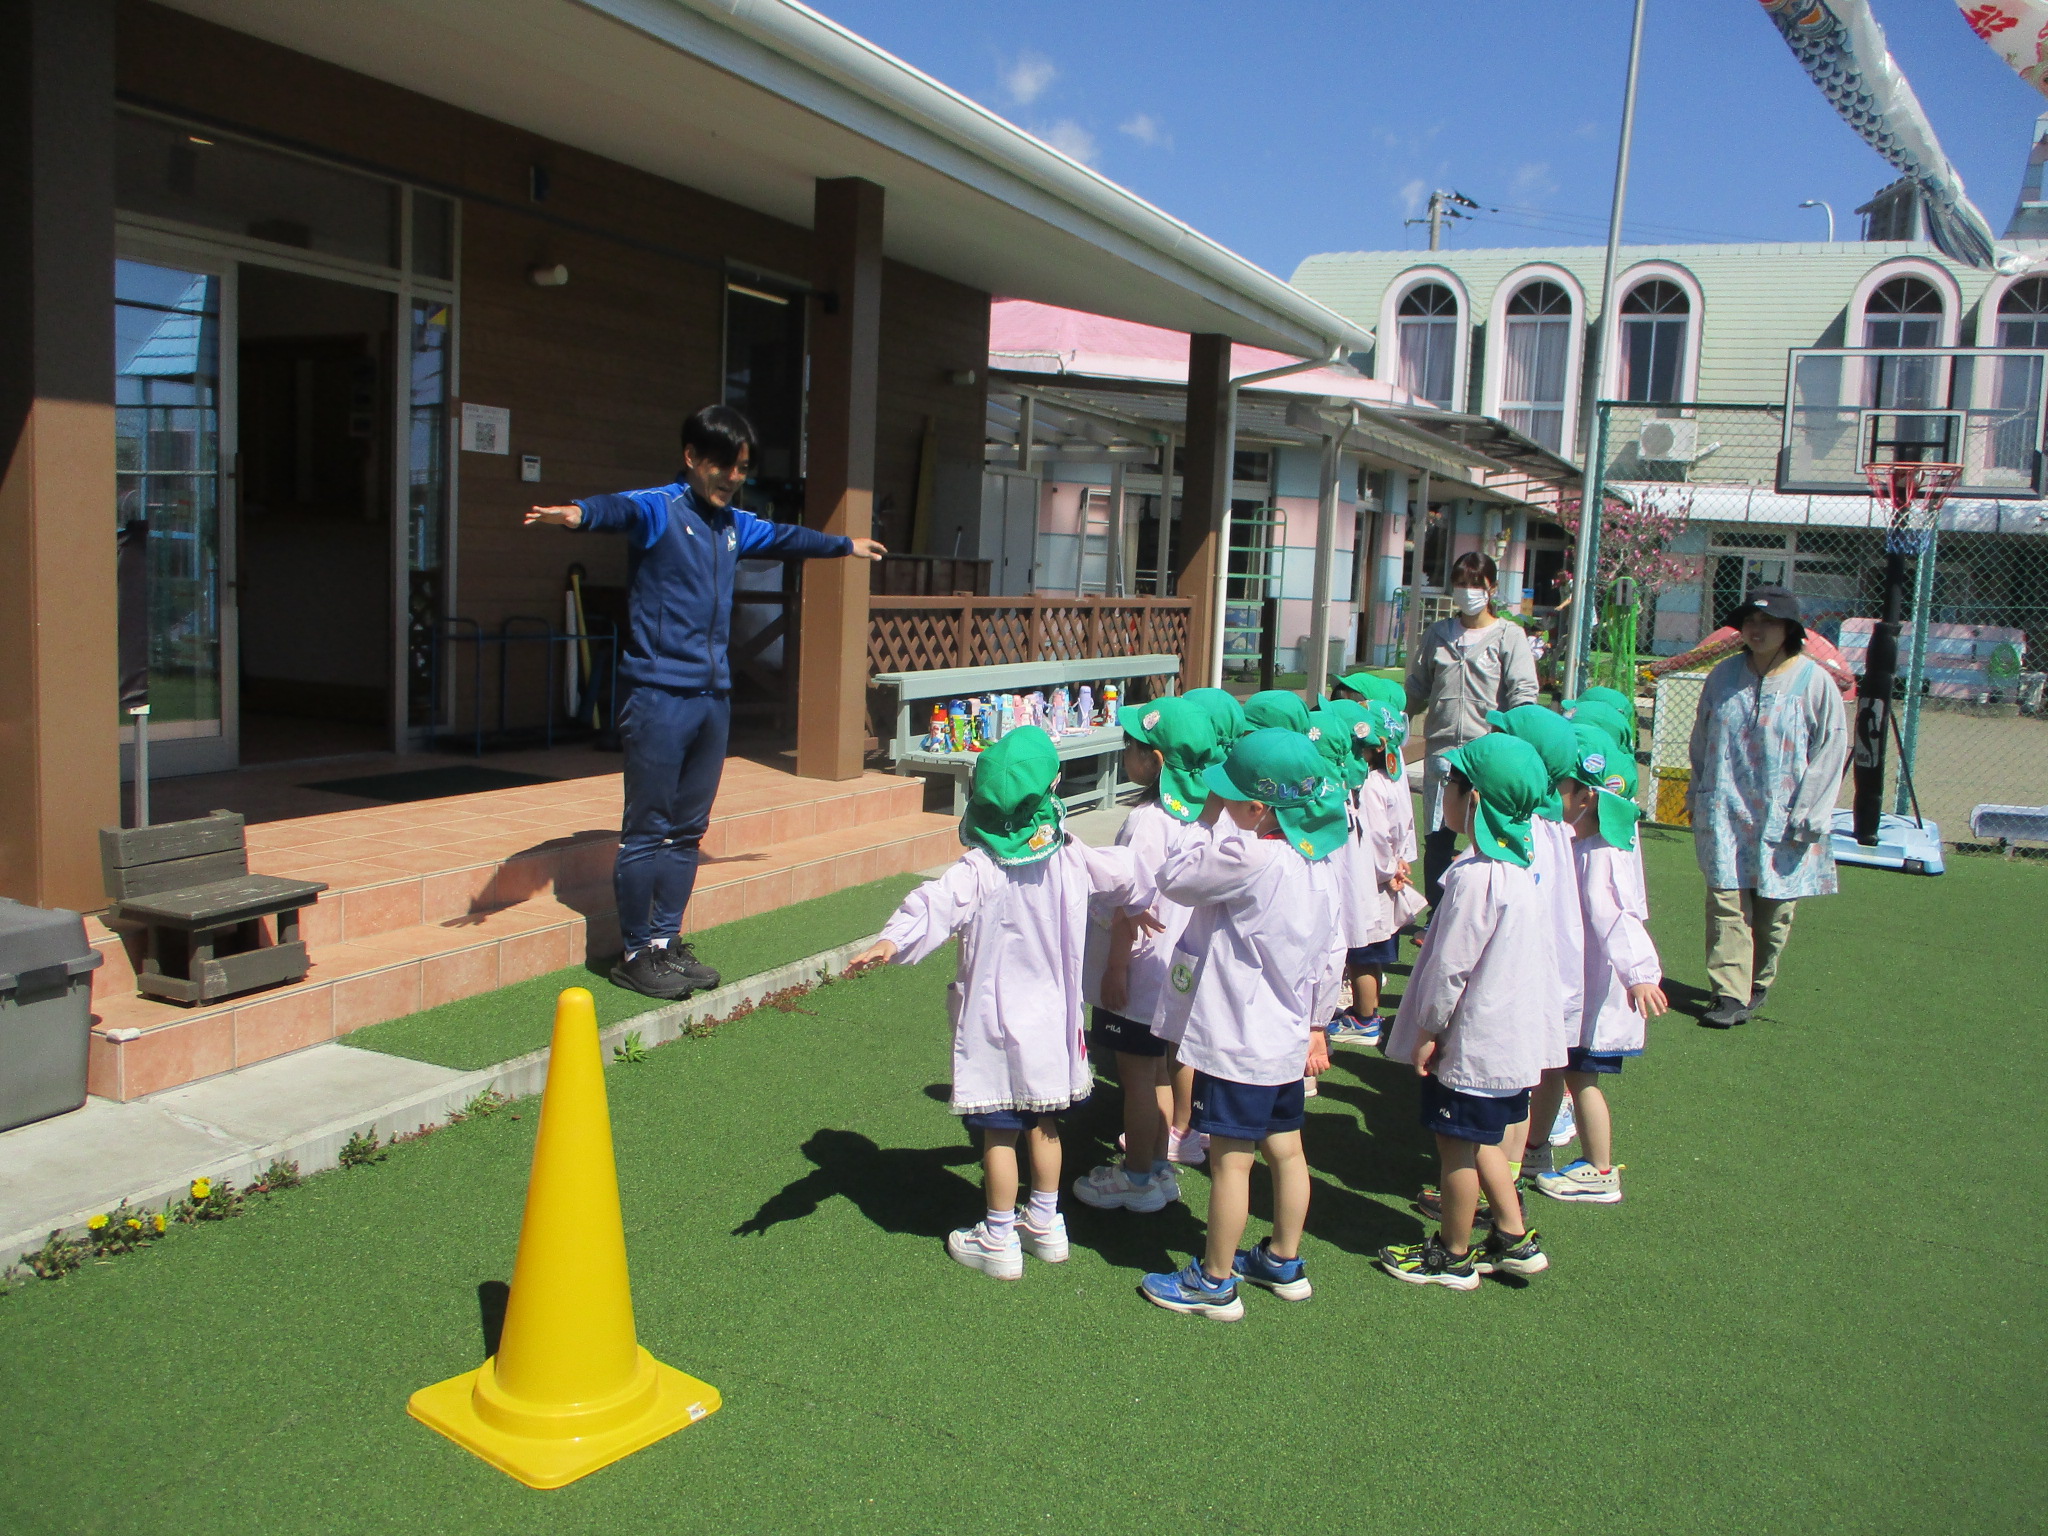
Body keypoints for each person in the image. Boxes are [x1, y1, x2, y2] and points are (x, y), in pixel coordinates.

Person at [526, 405, 885, 1000]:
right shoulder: (659, 510)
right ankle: (634, 953)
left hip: (712, 698)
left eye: (742, 469)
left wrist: (844, 544)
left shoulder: (735, 526)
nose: (732, 478)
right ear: (691, 457)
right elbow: (615, 509)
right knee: (647, 830)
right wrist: (577, 514)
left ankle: (665, 942)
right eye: (722, 465)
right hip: (658, 695)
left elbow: (788, 537)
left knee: (688, 829)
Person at [850, 728, 1148, 1280]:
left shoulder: (979, 868)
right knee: (1046, 1123)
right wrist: (1139, 900)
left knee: (999, 1131)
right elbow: (1122, 874)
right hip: (1052, 1018)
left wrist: (892, 940)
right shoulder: (1069, 853)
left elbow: (933, 905)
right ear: (1052, 788)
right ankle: (1046, 1223)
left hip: (995, 1020)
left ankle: (998, 1234)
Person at [1138, 730, 1348, 1320]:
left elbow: (1174, 876)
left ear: (1257, 808)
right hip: (1284, 1037)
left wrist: (1205, 819)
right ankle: (1282, 1258)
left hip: (1237, 1039)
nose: (1220, 799)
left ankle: (1214, 1280)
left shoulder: (1250, 856)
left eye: (1229, 794)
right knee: (1288, 1151)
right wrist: (1317, 1023)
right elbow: (1333, 952)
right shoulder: (1320, 863)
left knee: (1231, 1160)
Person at [1378, 733, 1557, 1291]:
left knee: (1455, 1146)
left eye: (1452, 784)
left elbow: (1450, 968)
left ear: (1473, 799)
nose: (1445, 795)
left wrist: (1428, 1029)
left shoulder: (1475, 876)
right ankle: (1513, 1235)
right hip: (1509, 1043)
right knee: (1482, 1142)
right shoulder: (1521, 871)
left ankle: (1453, 1253)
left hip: (1473, 1043)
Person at [1075, 697, 1219, 1212]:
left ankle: (1136, 1177)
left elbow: (1128, 900)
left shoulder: (1147, 822)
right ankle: (1157, 1167)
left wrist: (1115, 967)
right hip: (1175, 970)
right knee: (1156, 1070)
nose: (1125, 752)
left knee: (1136, 1077)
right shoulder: (1204, 818)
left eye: (1131, 745)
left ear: (1155, 760)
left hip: (1138, 971)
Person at [1686, 587, 1849, 1028]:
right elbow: (1702, 739)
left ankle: (1758, 981)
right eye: (1750, 621)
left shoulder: (1813, 682)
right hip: (1725, 808)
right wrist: (1697, 792)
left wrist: (1812, 810)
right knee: (1726, 901)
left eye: (1768, 622)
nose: (1756, 629)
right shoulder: (1722, 677)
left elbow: (1831, 748)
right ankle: (1728, 993)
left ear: (1789, 629)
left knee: (1774, 912)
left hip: (1786, 816)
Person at [1533, 733, 1667, 1204]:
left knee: (1581, 1078)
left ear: (1587, 798)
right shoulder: (1584, 841)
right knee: (1552, 1069)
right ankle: (1534, 1148)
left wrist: (1640, 974)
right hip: (1575, 985)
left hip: (1594, 992)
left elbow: (1619, 918)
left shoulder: (1602, 853)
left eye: (1560, 787)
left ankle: (1600, 1167)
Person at [1405, 551, 1539, 909]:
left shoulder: (1508, 635)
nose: (1467, 591)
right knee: (1438, 833)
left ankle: (1487, 906)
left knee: (1488, 829)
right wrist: (1397, 719)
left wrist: (1517, 737)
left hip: (1489, 749)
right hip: (1443, 749)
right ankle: (1437, 911)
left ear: (1491, 588)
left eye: (1475, 584)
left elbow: (1523, 692)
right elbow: (1417, 687)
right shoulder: (1438, 634)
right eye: (1461, 584)